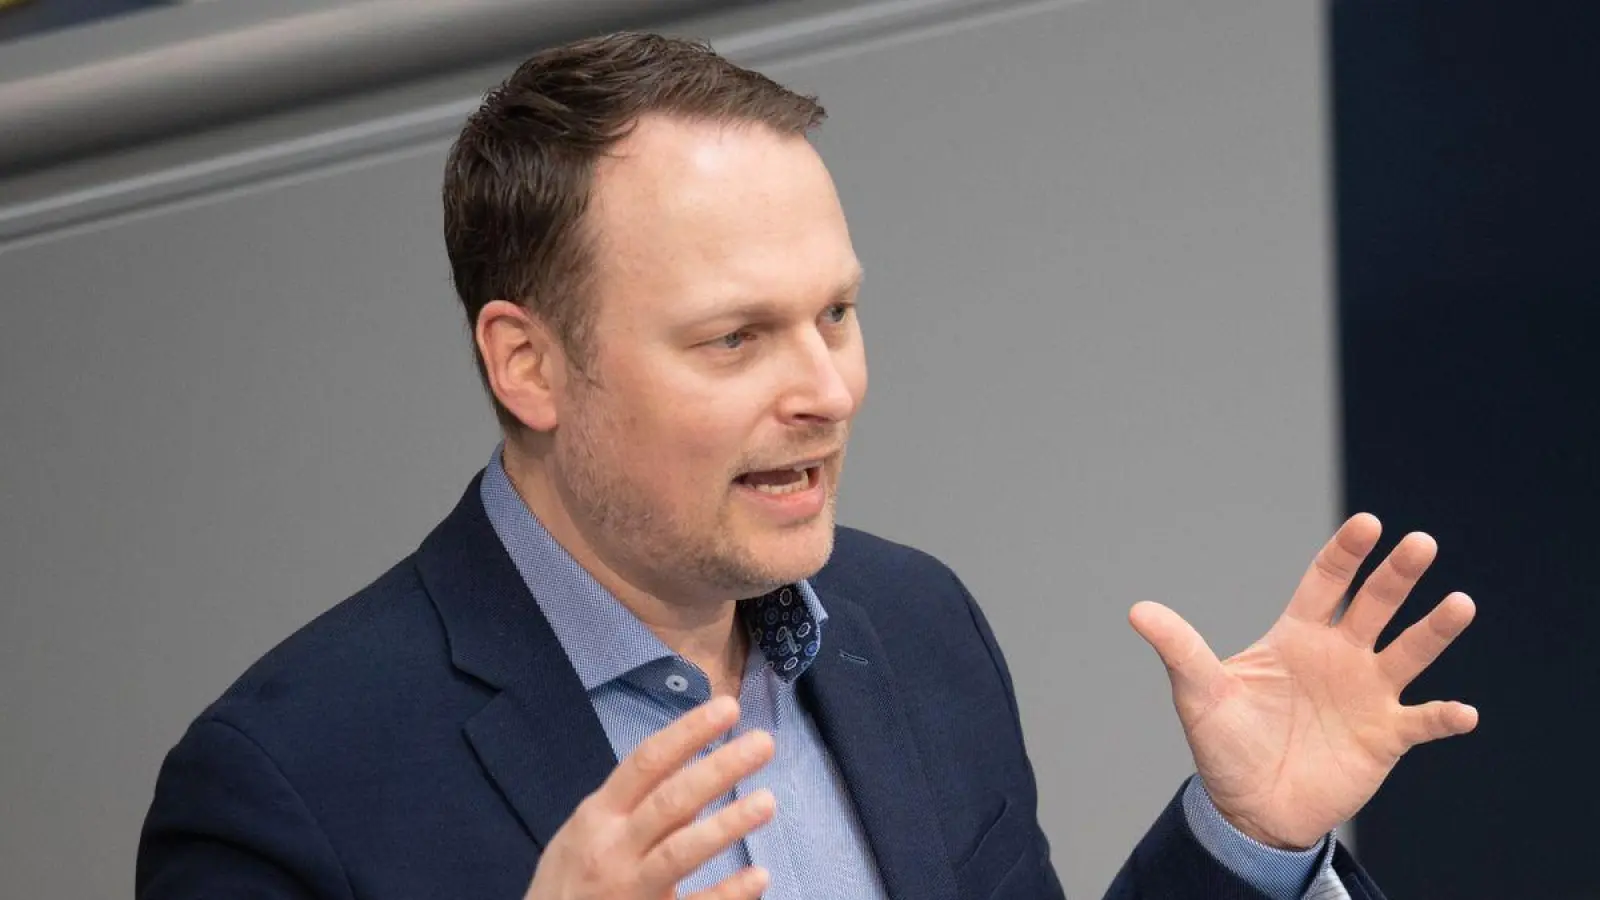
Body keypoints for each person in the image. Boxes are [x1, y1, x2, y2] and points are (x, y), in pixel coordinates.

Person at [136, 32, 1478, 900]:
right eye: (735, 339)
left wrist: (1247, 842)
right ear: (526, 364)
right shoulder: (284, 786)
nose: (831, 392)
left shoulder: (916, 627)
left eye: (835, 314)